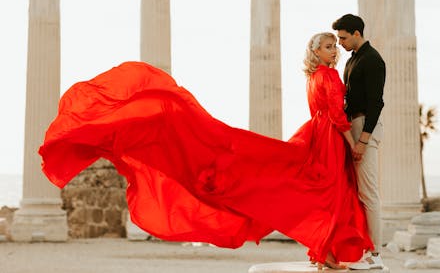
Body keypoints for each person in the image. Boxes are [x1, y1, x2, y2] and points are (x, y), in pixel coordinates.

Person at [39, 32, 372, 268]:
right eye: (329, 47)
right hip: (327, 137)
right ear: (317, 52)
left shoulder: (314, 77)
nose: (335, 51)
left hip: (314, 133)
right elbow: (336, 115)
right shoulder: (328, 77)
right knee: (330, 190)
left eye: (335, 46)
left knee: (314, 187)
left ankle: (324, 254)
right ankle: (327, 253)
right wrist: (354, 143)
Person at [332, 14, 386, 270]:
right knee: (357, 193)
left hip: (364, 126)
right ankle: (361, 249)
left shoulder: (373, 60)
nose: (339, 42)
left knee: (369, 193)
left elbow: (377, 103)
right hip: (351, 125)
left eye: (343, 37)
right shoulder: (352, 60)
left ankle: (375, 257)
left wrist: (363, 139)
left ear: (356, 33)